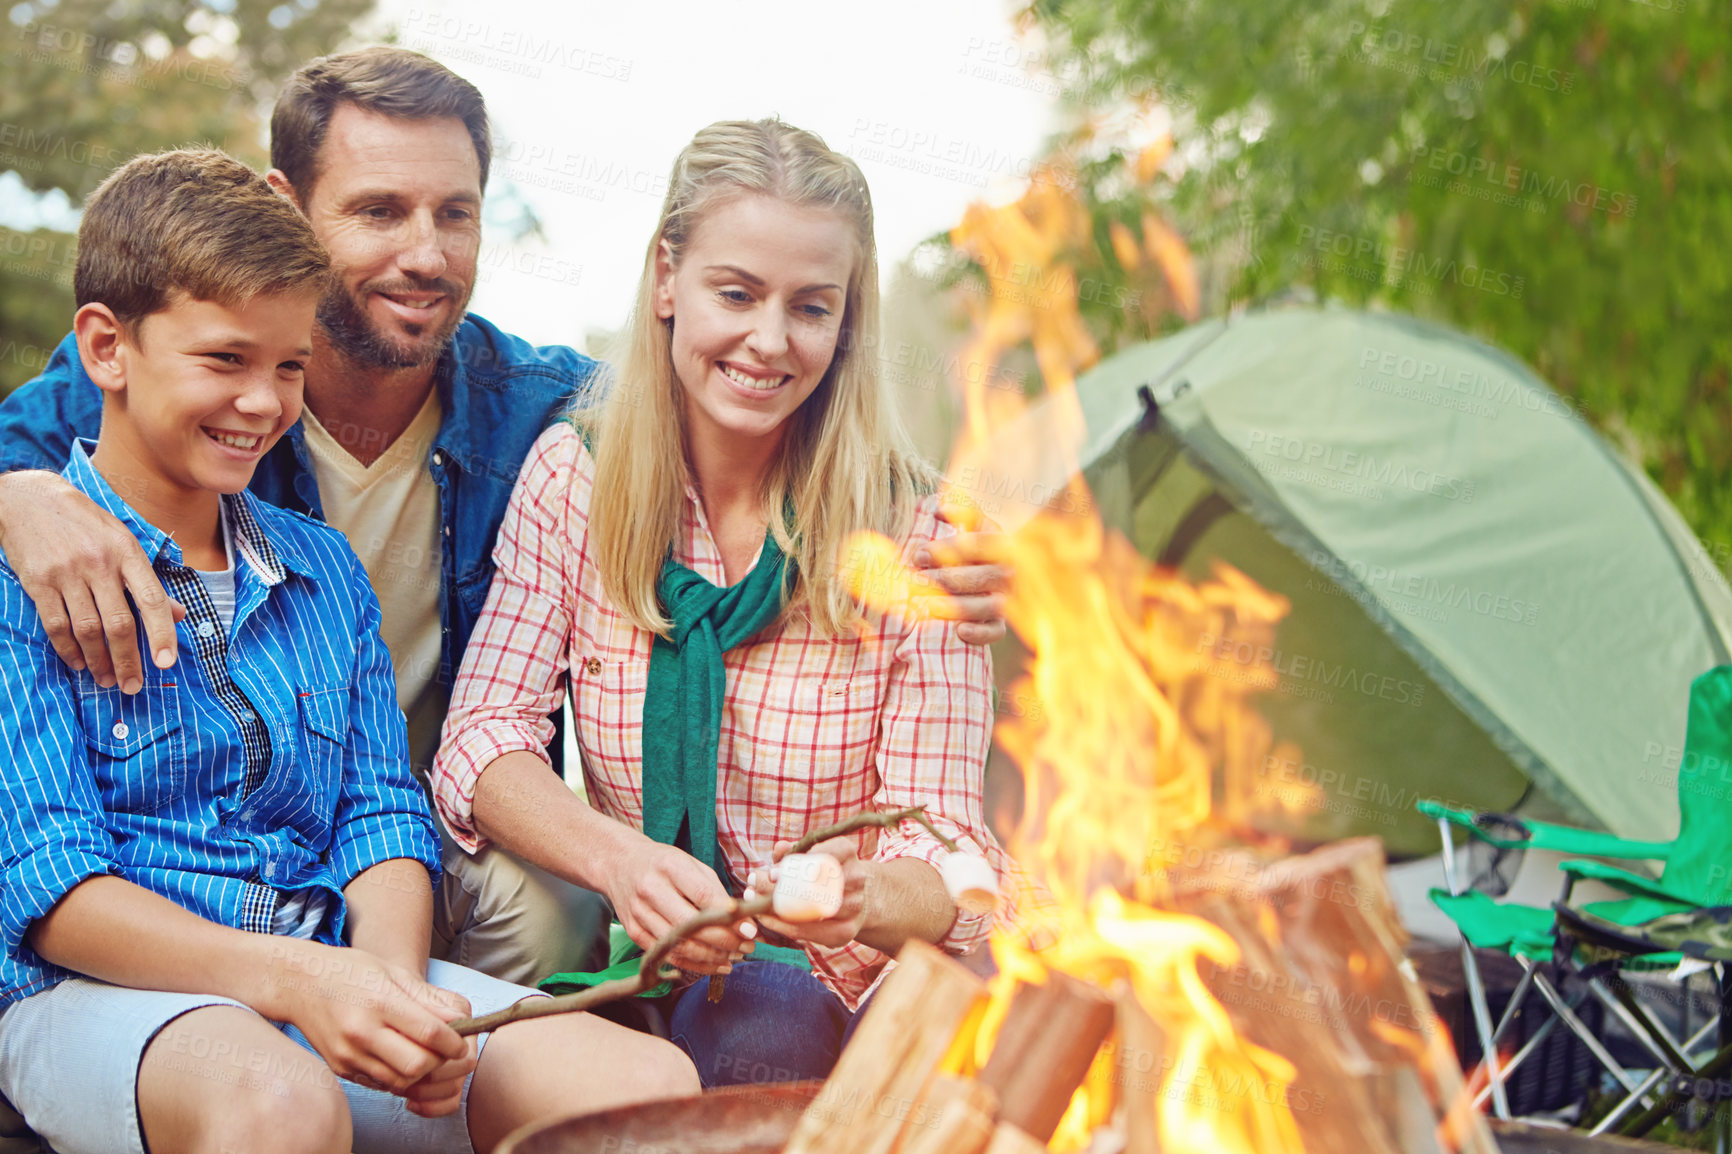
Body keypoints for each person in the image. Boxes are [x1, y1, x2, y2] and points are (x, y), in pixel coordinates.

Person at [0, 46, 1012, 987]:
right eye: (379, 210)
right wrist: (14, 494)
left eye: (456, 213)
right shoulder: (172, 385)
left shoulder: (543, 415)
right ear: (288, 208)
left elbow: (707, 415)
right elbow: (53, 437)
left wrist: (987, 552)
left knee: (550, 914)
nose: (425, 253)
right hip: (212, 824)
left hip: (418, 834)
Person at [0, 147, 697, 1154]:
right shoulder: (31, 570)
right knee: (280, 1104)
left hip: (316, 961)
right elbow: (51, 888)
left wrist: (393, 991)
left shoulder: (322, 572)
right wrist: (304, 982)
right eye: (225, 359)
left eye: (288, 366)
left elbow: (378, 811)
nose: (263, 402)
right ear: (107, 347)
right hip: (100, 995)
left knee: (642, 1085)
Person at [433, 119, 1017, 1090]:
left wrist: (865, 898)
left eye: (810, 307)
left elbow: (948, 844)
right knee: (747, 1030)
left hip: (869, 970)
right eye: (736, 293)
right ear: (668, 279)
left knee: (842, 1036)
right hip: (674, 955)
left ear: (845, 321)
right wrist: (619, 859)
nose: (769, 340)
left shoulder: (922, 535)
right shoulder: (574, 482)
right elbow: (483, 738)